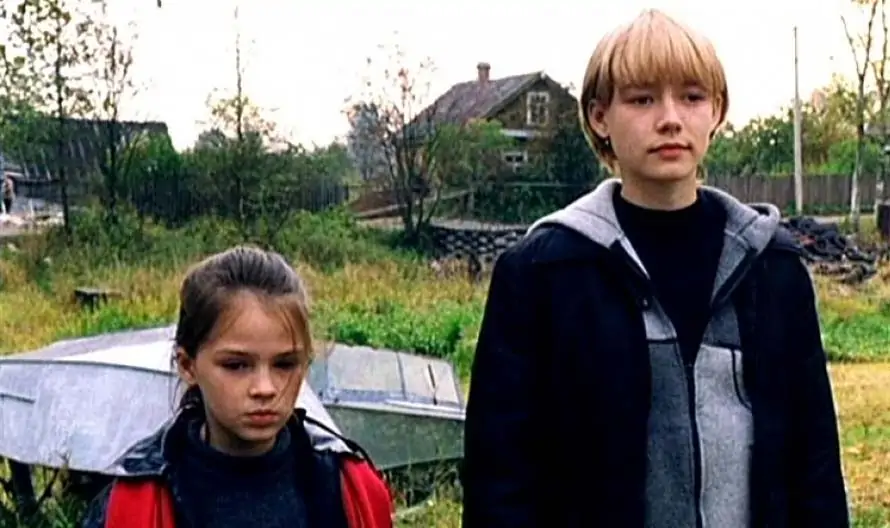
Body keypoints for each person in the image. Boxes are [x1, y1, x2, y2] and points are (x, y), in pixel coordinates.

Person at [461, 9, 849, 528]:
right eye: (642, 99)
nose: (670, 118)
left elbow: (815, 465)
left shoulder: (772, 269)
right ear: (600, 116)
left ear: (717, 110)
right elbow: (499, 478)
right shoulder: (542, 275)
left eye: (691, 96)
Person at [81, 246, 393, 528]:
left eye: (285, 364)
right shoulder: (136, 505)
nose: (265, 388)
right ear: (188, 365)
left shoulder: (350, 490)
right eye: (236, 365)